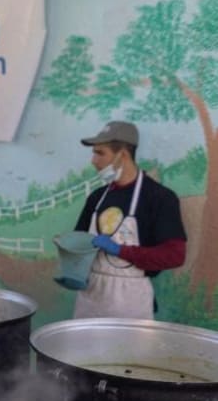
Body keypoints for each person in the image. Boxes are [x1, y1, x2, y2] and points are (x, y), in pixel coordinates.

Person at [71, 120, 187, 319]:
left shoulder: (159, 198)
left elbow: (174, 255)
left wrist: (121, 250)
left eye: (100, 153)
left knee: (128, 342)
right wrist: (73, 264)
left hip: (131, 298)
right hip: (91, 295)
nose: (93, 161)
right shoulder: (97, 198)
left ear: (122, 155)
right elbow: (79, 241)